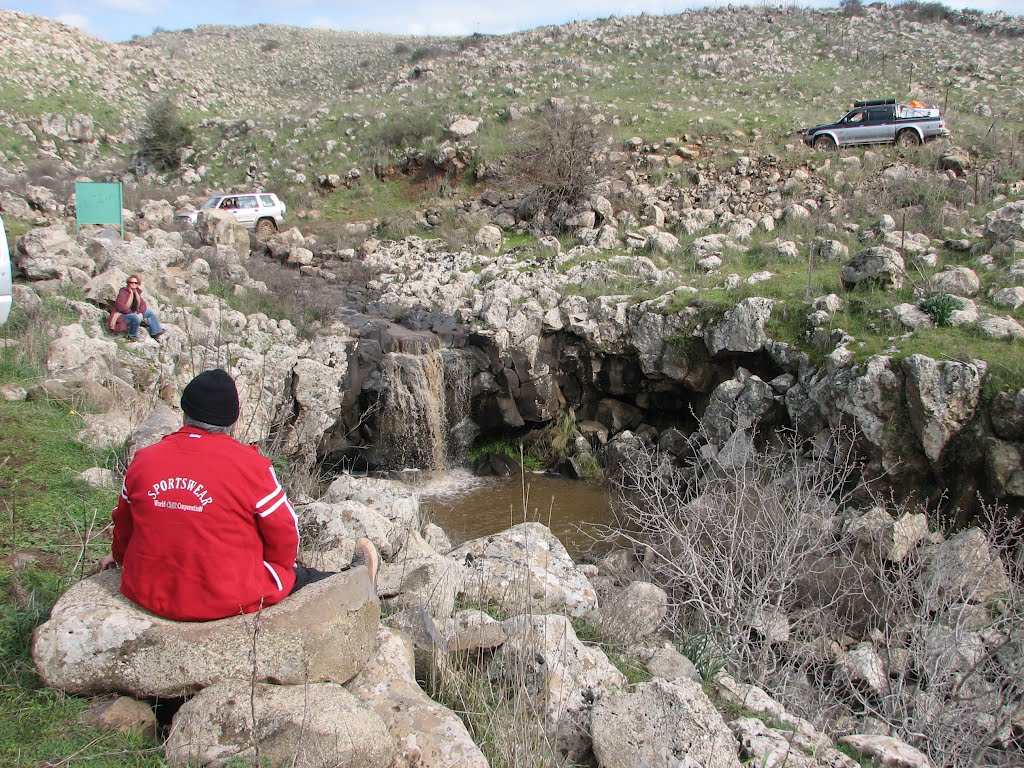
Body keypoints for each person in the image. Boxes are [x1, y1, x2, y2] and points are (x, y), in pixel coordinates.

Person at [99, 368, 379, 622]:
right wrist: (278, 567)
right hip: (223, 596)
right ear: (234, 419)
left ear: (185, 413)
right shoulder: (251, 466)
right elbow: (285, 532)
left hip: (146, 589)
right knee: (303, 578)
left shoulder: (144, 460)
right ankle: (356, 581)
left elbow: (124, 523)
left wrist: (119, 556)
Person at [109, 275, 165, 342]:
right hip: (121, 315)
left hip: (131, 313)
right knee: (136, 317)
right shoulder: (123, 291)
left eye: (136, 283)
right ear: (128, 283)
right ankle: (132, 335)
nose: (133, 284)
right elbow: (120, 306)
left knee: (149, 312)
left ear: (138, 284)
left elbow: (143, 304)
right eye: (131, 282)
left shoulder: (136, 293)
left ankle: (156, 332)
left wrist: (141, 313)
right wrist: (132, 313)